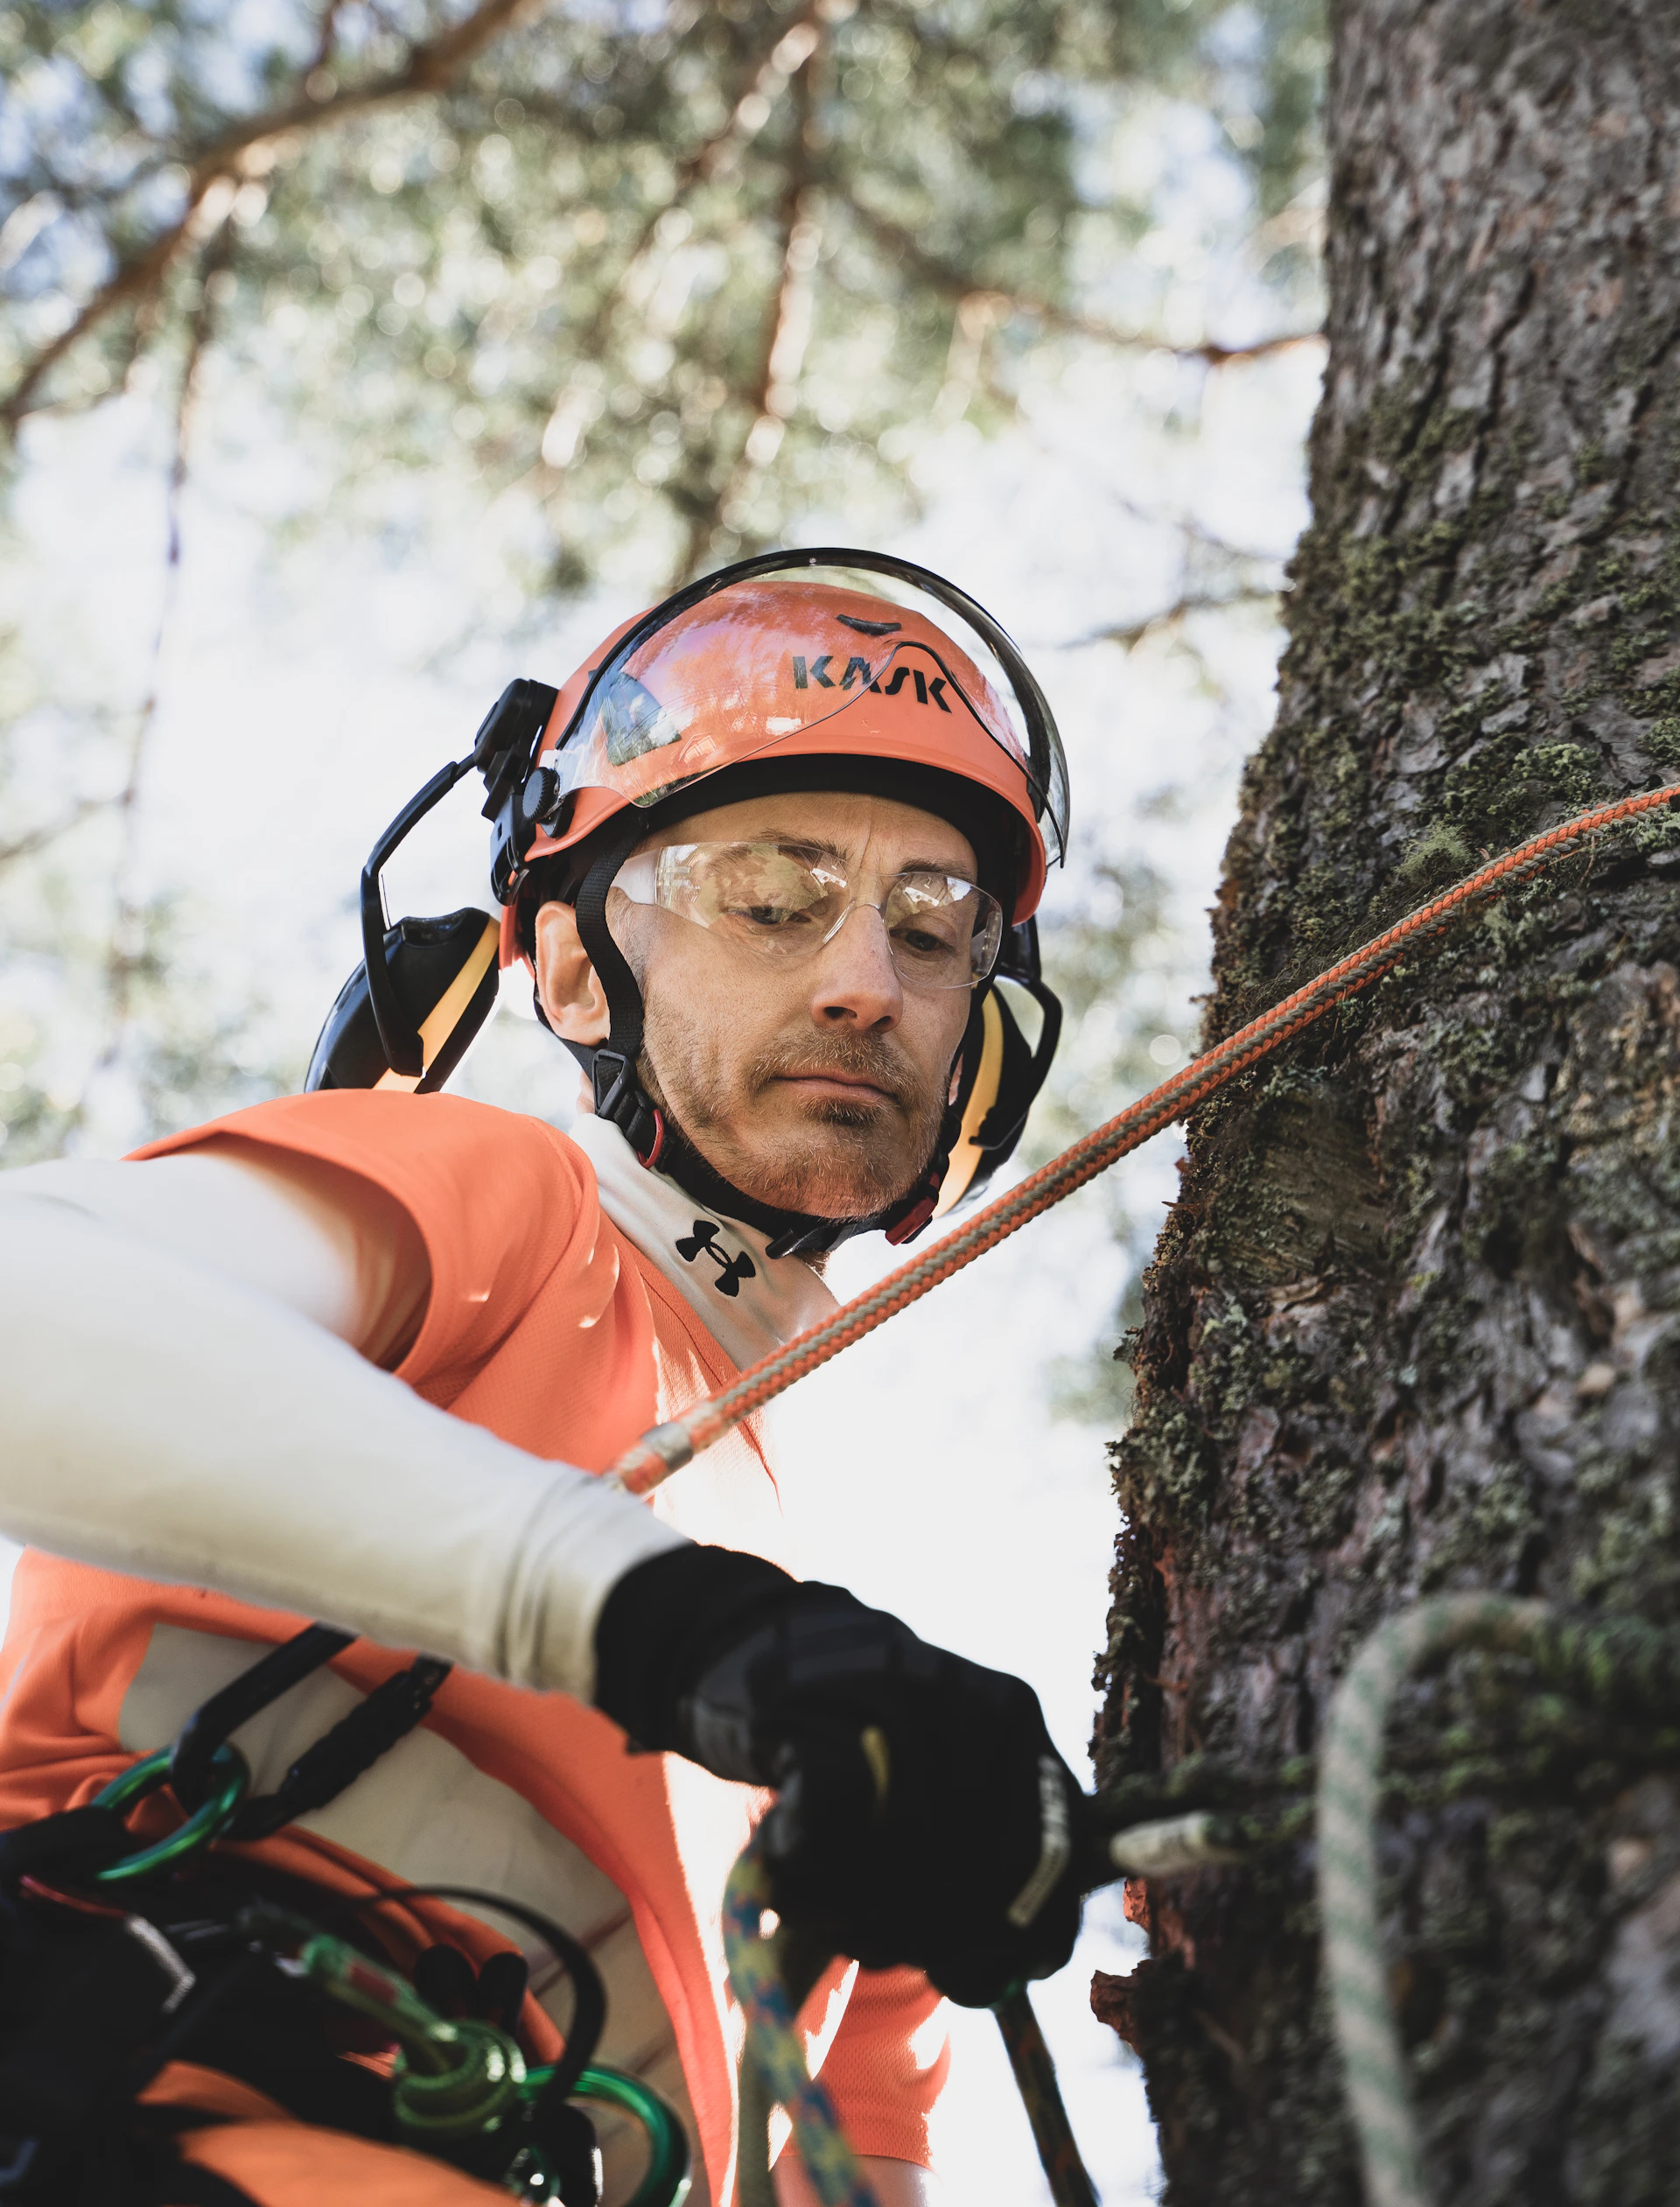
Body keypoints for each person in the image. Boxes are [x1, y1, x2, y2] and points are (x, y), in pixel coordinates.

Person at [0, 552, 1086, 2207]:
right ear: (574, 971)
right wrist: (647, 1621)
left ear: (982, 1046)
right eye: (773, 893)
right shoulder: (500, 1210)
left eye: (932, 926)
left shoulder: (848, 1739)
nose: (865, 978)